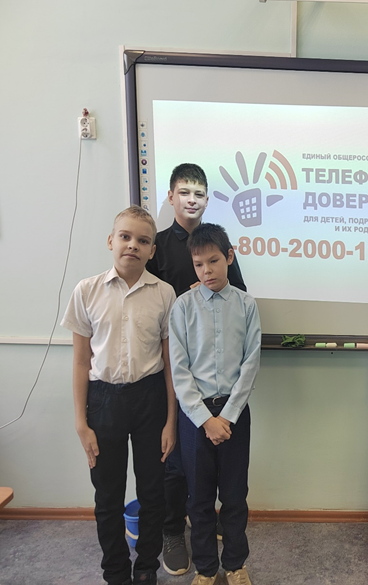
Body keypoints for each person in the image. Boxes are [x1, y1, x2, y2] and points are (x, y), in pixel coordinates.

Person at [62, 206, 177, 585]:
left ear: (152, 250)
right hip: (103, 401)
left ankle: (145, 568)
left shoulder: (164, 294)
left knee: (153, 492)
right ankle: (115, 571)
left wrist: (171, 422)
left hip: (150, 400)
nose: (132, 245)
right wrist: (81, 423)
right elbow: (81, 361)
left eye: (143, 241)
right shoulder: (87, 290)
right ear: (111, 240)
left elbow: (170, 363)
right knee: (107, 495)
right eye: (125, 237)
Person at [146, 163, 247, 576]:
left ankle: (217, 539)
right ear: (170, 197)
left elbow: (240, 299)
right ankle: (173, 530)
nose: (192, 199)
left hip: (221, 385)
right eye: (184, 192)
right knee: (174, 462)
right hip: (169, 368)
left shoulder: (220, 246)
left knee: (224, 482)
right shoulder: (157, 245)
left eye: (199, 193)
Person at [168, 223, 261, 585]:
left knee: (235, 496)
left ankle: (235, 565)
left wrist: (229, 415)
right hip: (196, 418)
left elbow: (250, 363)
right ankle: (206, 569)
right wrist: (206, 420)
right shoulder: (183, 307)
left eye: (214, 261)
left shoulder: (247, 305)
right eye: (198, 264)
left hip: (235, 414)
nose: (206, 271)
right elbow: (179, 370)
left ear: (229, 257)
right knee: (199, 499)